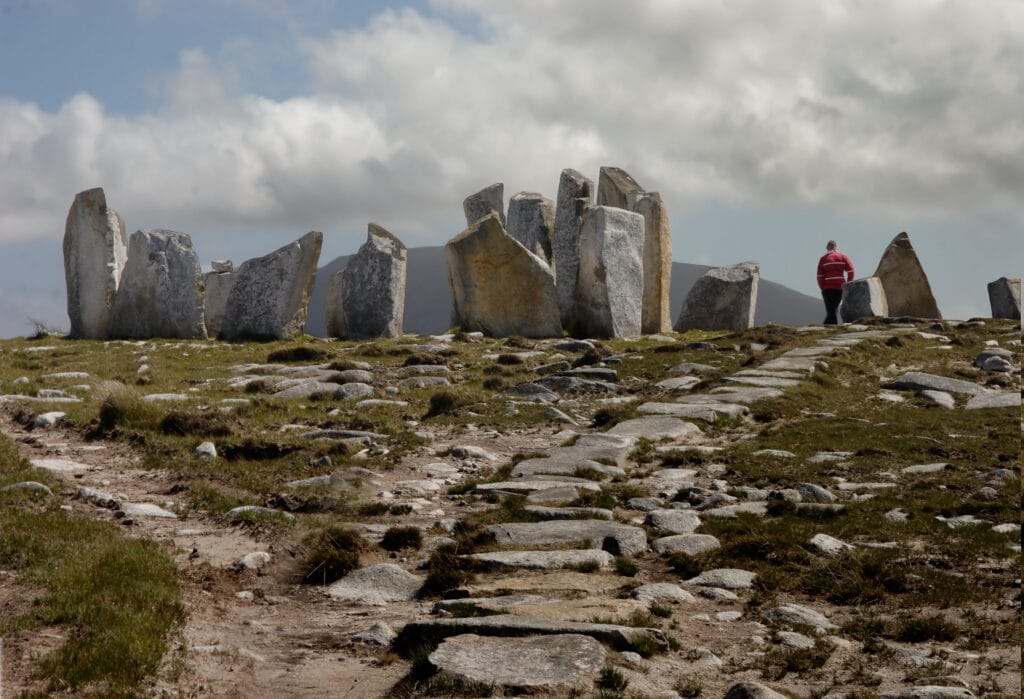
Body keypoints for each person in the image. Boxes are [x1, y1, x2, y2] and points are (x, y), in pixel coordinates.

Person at [817, 240, 855, 325]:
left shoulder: (823, 259)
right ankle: (826, 328)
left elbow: (819, 276)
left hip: (827, 288)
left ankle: (830, 328)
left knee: (831, 310)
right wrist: (847, 284)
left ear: (827, 247)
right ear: (835, 246)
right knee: (833, 309)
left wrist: (822, 287)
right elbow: (851, 271)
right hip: (840, 287)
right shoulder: (843, 257)